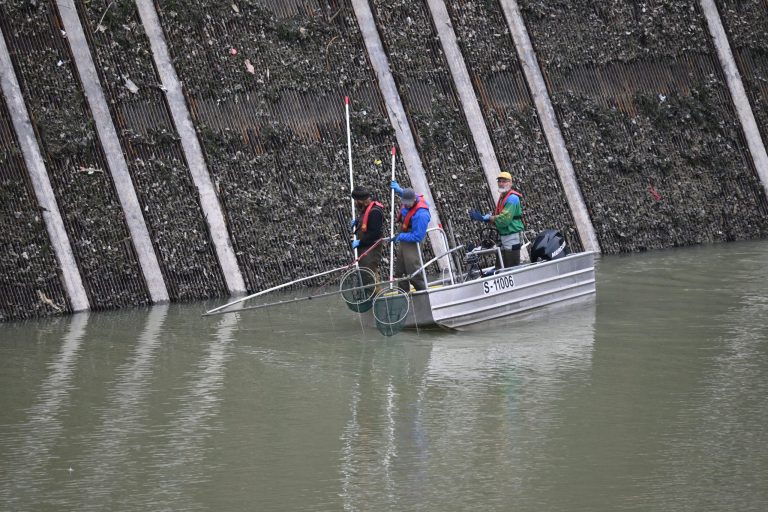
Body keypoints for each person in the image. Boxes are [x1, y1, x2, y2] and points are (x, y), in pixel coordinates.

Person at [470, 171, 525, 268]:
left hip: (512, 236)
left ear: (510, 183)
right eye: (499, 181)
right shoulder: (503, 196)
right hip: (504, 236)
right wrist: (484, 218)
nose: (501, 183)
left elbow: (504, 219)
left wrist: (489, 218)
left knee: (512, 267)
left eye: (504, 181)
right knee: (501, 266)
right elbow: (499, 215)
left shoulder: (512, 198)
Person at [388, 180, 431, 291]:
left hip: (413, 240)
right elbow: (406, 194)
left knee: (413, 270)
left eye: (408, 203)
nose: (406, 205)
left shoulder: (421, 214)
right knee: (400, 269)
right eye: (405, 202)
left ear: (414, 200)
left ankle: (423, 292)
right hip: (405, 236)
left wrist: (400, 236)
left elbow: (418, 236)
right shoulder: (410, 197)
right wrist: (399, 190)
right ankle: (403, 293)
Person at [350, 187, 385, 281]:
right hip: (364, 249)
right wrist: (357, 222)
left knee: (369, 276)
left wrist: (360, 242)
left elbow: (374, 234)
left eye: (356, 201)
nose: (355, 203)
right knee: (365, 275)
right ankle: (372, 290)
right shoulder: (366, 209)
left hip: (371, 250)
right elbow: (365, 220)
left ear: (361, 201)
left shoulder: (375, 212)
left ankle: (375, 291)